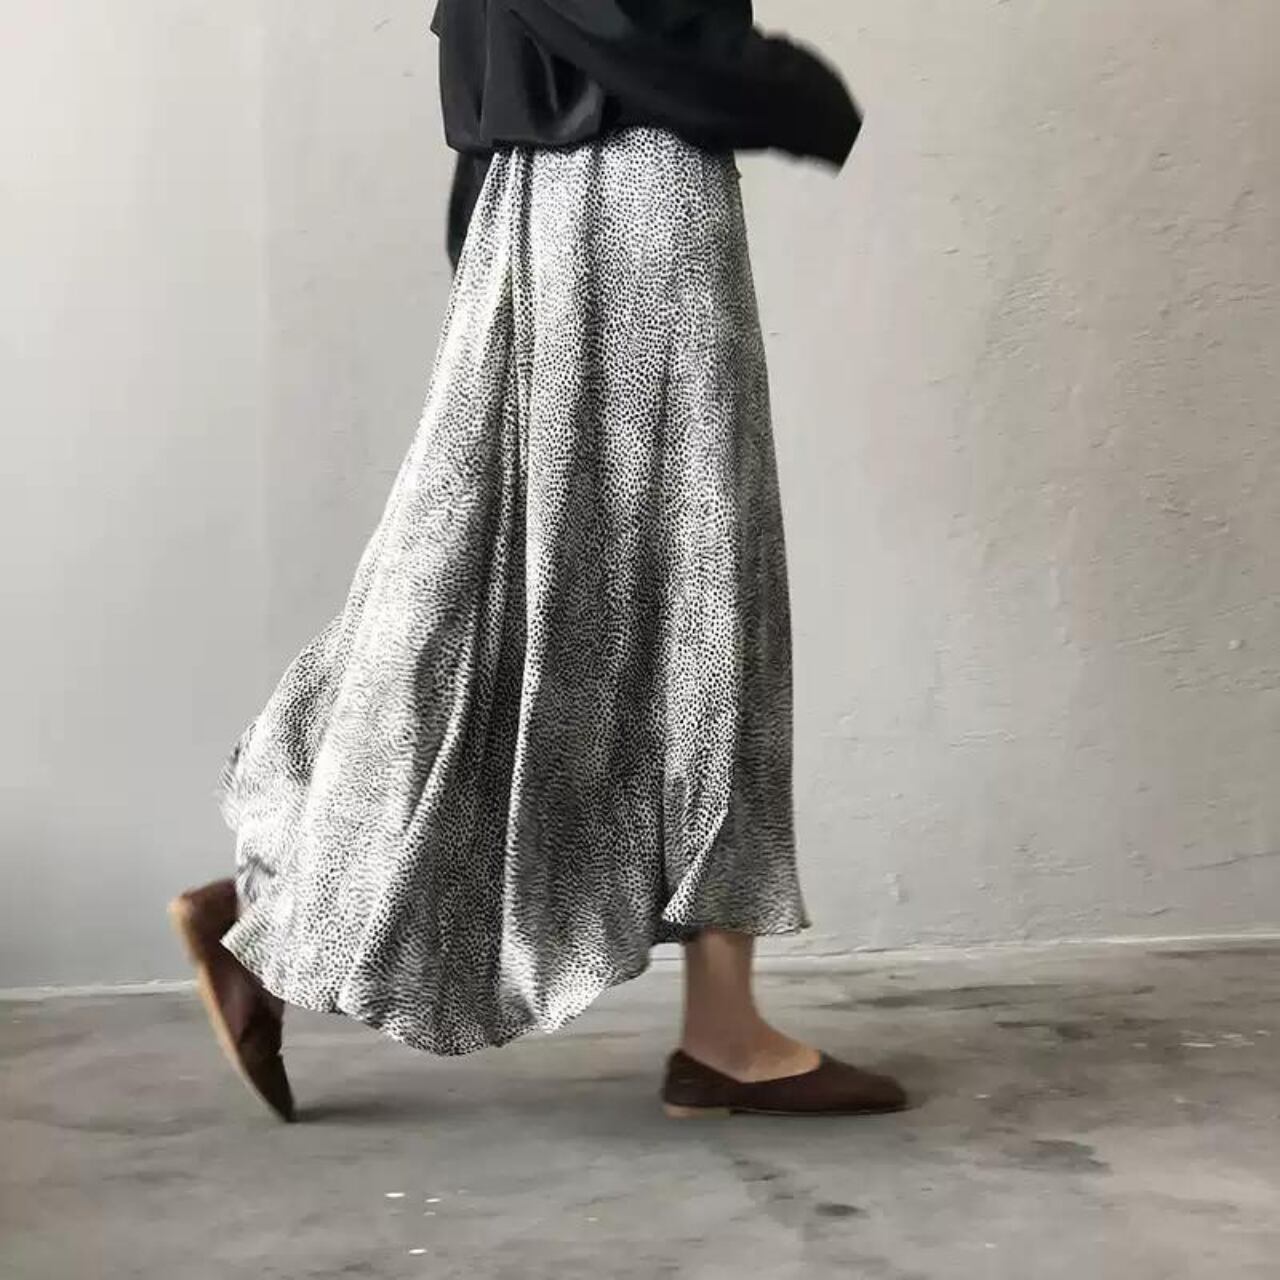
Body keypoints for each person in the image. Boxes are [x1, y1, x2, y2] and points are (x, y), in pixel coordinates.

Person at [171, 0, 908, 1124]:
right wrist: (795, 94)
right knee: (702, 599)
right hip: (635, 199)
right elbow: (633, 20)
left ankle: (279, 894)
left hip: (527, 203)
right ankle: (722, 1034)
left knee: (479, 585)